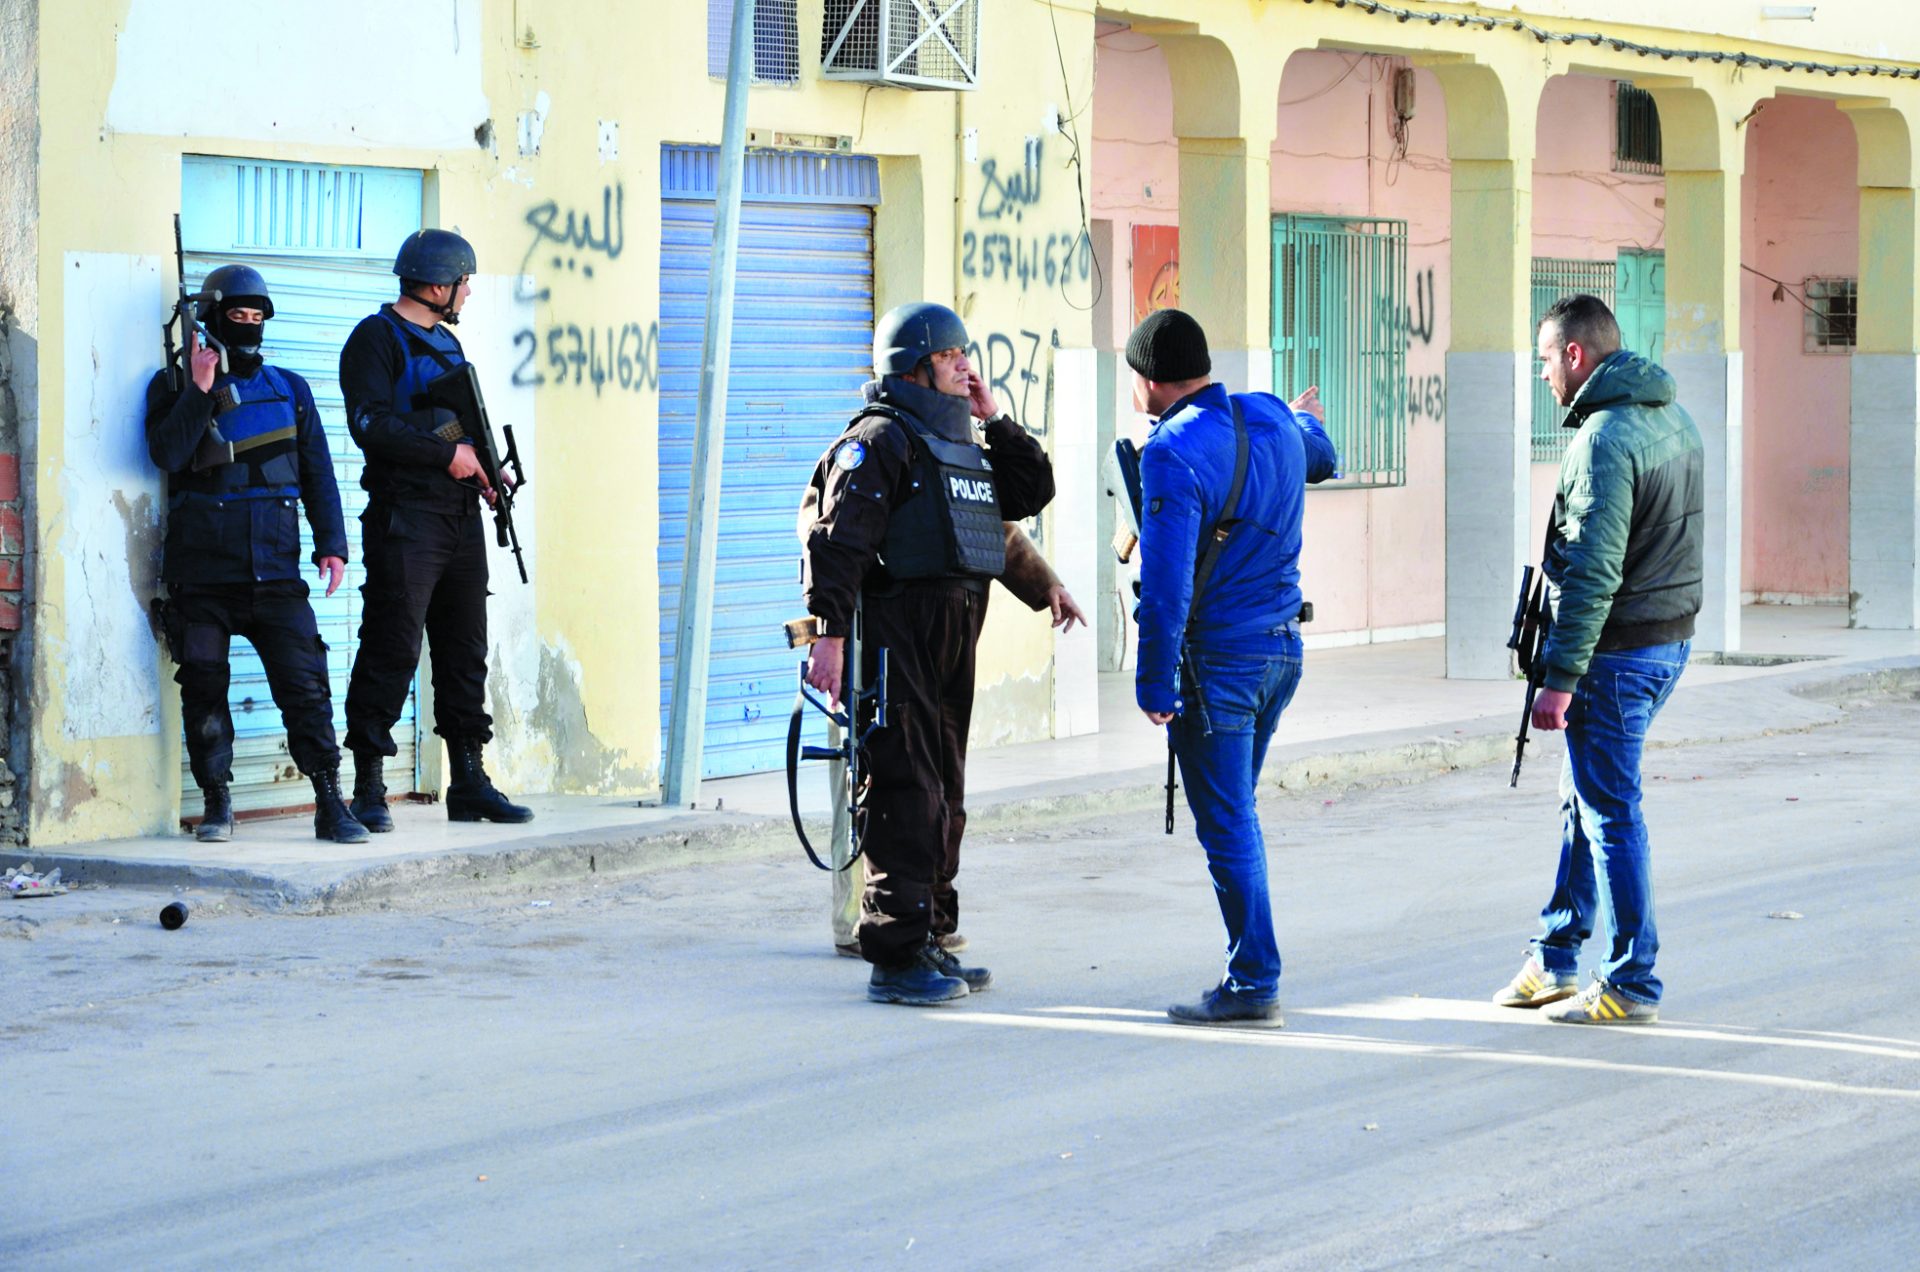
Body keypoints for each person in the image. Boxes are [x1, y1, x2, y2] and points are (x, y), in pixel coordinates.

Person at [799, 301, 1056, 1005]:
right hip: (896, 633)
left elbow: (1032, 490)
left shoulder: (960, 440)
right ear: (914, 365)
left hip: (952, 636)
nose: (965, 364)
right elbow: (839, 542)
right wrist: (829, 638)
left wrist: (994, 416)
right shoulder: (881, 438)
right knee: (905, 790)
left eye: (965, 354)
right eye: (951, 357)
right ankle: (895, 951)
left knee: (945, 785)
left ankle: (932, 935)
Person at [1493, 293, 1703, 1026]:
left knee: (1610, 813)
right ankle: (1555, 955)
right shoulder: (1671, 414)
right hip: (1666, 640)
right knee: (1582, 801)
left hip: (1616, 655)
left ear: (1575, 355)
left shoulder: (1604, 440)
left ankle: (1630, 980)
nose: (1544, 374)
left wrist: (1559, 678)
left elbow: (1592, 570)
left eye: (1546, 359)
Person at [1128, 308, 1336, 1029]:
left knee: (1227, 824)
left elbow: (1166, 584)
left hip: (1220, 662)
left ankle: (1253, 980)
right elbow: (1324, 453)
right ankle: (1250, 968)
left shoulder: (1172, 451)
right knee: (1234, 813)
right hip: (1283, 651)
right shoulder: (1272, 417)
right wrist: (1306, 418)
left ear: (1148, 382)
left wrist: (1153, 681)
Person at [145, 265, 367, 845]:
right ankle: (218, 805)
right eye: (237, 316)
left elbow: (318, 472)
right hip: (202, 577)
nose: (248, 326)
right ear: (211, 319)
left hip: (275, 571)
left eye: (256, 317)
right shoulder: (170, 387)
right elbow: (167, 454)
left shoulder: (291, 390)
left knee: (307, 689)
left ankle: (329, 803)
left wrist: (333, 546)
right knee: (205, 692)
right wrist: (198, 388)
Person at [338, 229, 531, 830]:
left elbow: (461, 424)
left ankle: (468, 780)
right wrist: (446, 457)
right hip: (407, 516)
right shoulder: (375, 339)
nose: (469, 293)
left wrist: (485, 466)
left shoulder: (447, 345)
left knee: (464, 647)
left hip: (459, 515)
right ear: (439, 284)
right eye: (464, 282)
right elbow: (370, 425)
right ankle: (368, 784)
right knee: (392, 643)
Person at [826, 520, 1086, 960]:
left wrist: (1046, 585)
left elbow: (989, 526)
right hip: (865, 653)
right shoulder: (860, 459)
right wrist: (831, 636)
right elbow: (828, 542)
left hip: (929, 658)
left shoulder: (946, 452)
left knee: (933, 794)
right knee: (869, 793)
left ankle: (926, 923)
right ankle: (857, 921)